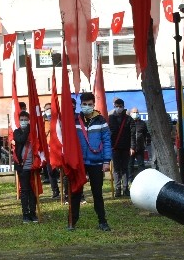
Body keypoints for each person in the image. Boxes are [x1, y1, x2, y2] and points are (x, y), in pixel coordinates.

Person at [70, 92, 111, 231]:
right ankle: (72, 221)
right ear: (80, 105)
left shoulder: (101, 120)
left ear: (94, 105)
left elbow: (106, 141)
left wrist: (107, 161)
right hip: (79, 163)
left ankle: (102, 221)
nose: (87, 107)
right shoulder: (75, 120)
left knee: (97, 194)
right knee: (75, 193)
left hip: (96, 162)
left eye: (89, 104)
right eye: (84, 104)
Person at [13, 111, 38, 223]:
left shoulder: (33, 132)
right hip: (22, 166)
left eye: (26, 120)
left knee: (33, 190)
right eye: (21, 120)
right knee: (24, 190)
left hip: (33, 166)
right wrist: (28, 128)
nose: (23, 122)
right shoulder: (17, 132)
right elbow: (21, 140)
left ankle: (33, 213)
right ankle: (25, 214)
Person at [108, 98, 132, 197]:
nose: (118, 108)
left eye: (120, 106)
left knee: (125, 168)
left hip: (126, 147)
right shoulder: (111, 118)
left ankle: (125, 188)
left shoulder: (128, 119)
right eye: (116, 106)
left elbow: (132, 133)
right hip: (115, 148)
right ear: (114, 107)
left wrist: (132, 146)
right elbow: (108, 133)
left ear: (123, 106)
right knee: (117, 169)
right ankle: (118, 189)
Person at [42, 102, 61, 198]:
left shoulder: (59, 119)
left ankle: (65, 191)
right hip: (48, 149)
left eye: (50, 108)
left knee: (62, 170)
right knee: (51, 171)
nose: (49, 110)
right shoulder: (42, 120)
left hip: (58, 148)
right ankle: (55, 190)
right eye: (47, 109)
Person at [129, 108, 150, 179]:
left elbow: (145, 134)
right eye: (134, 112)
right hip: (130, 148)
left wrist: (144, 144)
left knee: (141, 165)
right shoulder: (128, 122)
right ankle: (130, 180)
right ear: (130, 113)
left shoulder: (142, 123)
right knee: (130, 165)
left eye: (136, 112)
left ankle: (143, 179)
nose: (135, 113)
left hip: (140, 148)